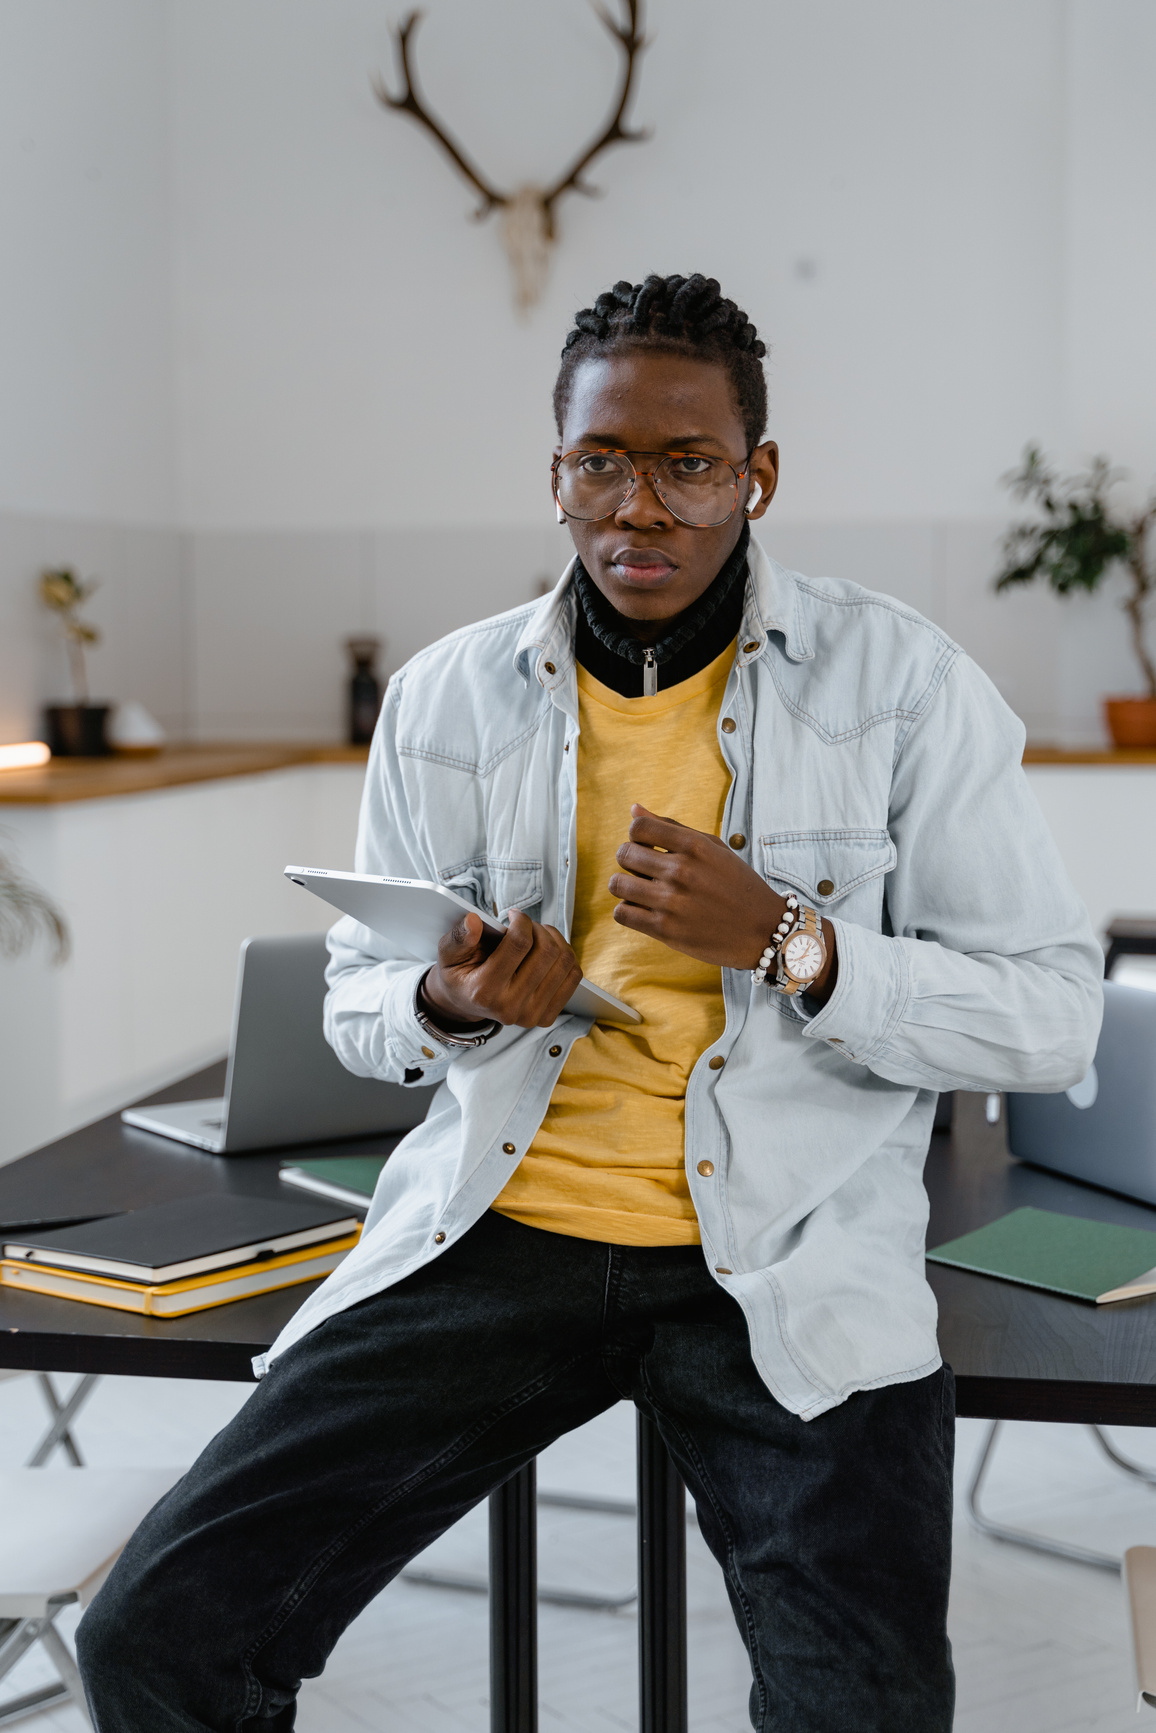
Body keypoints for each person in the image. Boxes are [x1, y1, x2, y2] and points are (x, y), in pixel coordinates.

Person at [77, 273, 1102, 1732]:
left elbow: (1052, 1017)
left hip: (788, 1260)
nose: (641, 509)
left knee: (865, 1714)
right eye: (601, 464)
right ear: (554, 473)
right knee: (155, 1638)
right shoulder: (447, 698)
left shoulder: (903, 687)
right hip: (500, 1231)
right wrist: (448, 999)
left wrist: (795, 942)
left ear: (757, 477)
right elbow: (360, 1000)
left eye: (689, 465)